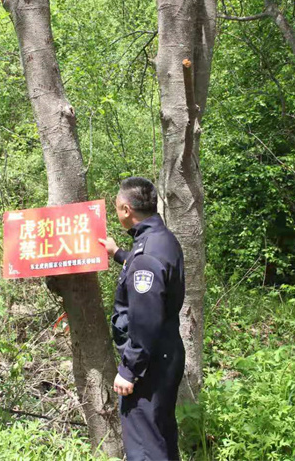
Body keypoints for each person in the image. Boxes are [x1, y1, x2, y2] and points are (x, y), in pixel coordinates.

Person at [99, 177, 186, 461]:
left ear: (126, 210)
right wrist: (118, 254)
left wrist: (129, 369)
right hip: (165, 353)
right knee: (160, 435)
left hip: (149, 365)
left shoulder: (146, 255)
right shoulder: (161, 239)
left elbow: (146, 321)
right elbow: (148, 268)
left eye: (116, 208)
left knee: (145, 446)